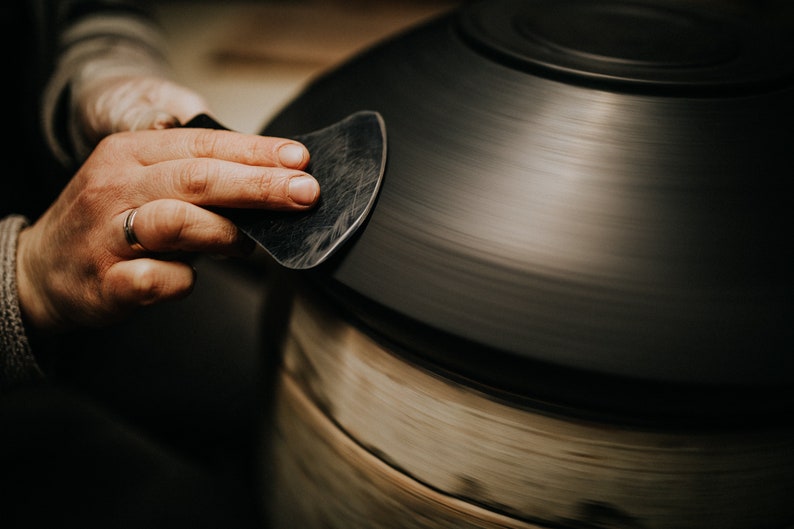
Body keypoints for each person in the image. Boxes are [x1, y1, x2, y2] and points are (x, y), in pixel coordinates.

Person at [1, 1, 319, 526]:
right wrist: (24, 277)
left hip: (62, 219)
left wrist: (108, 72)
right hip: (20, 284)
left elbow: (95, 12)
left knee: (285, 386)